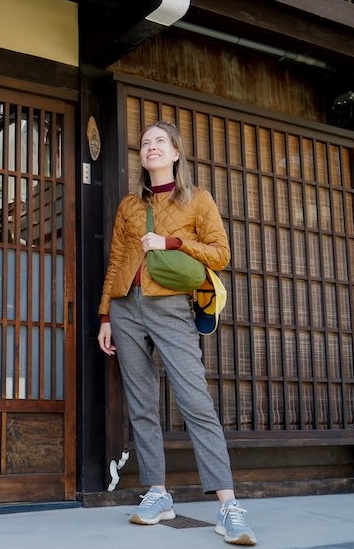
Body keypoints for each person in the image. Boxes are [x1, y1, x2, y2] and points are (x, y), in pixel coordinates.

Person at [97, 120, 257, 546]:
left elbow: (221, 254)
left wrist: (171, 243)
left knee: (195, 401)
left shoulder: (197, 199)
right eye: (146, 143)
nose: (151, 147)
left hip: (170, 306)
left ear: (175, 153)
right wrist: (105, 317)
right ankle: (157, 493)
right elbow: (115, 263)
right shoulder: (130, 206)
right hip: (126, 307)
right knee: (142, 403)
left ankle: (228, 505)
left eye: (160, 142)